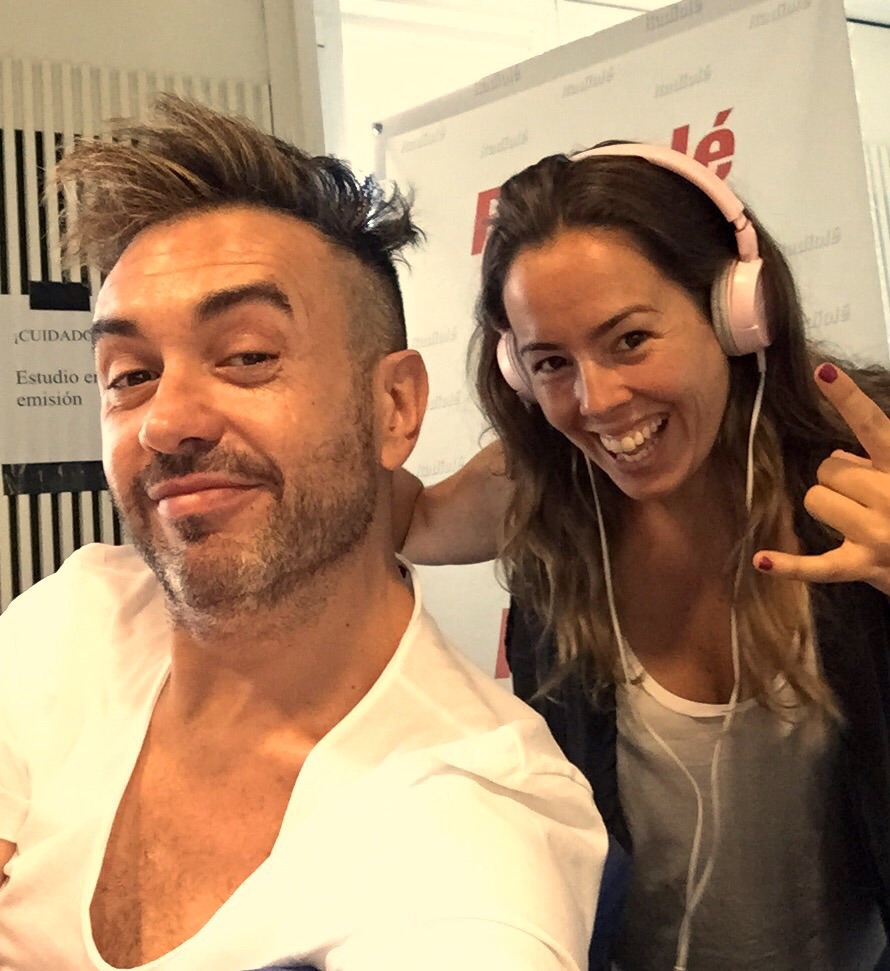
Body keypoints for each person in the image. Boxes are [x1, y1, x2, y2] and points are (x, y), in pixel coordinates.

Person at [0, 96, 608, 970]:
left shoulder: (469, 823)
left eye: (248, 356)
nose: (165, 421)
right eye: (129, 375)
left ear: (394, 406)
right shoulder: (70, 622)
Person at [398, 142, 890, 970]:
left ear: (736, 314)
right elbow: (395, 519)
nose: (596, 401)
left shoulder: (869, 472)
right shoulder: (541, 496)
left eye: (629, 339)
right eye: (551, 362)